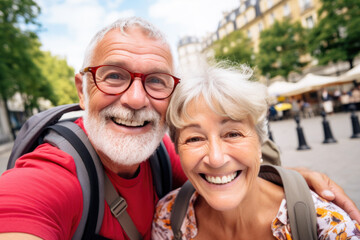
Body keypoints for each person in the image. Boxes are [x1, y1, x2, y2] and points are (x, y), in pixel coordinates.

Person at [0, 17, 359, 240]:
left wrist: (290, 181)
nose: (136, 98)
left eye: (155, 81)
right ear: (82, 89)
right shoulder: (51, 177)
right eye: (114, 76)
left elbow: (224, 167)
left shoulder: (167, 154)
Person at [152, 62, 360, 239]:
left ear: (260, 143)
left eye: (233, 134)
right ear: (177, 149)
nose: (216, 159)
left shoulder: (329, 226)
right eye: (195, 138)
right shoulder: (168, 217)